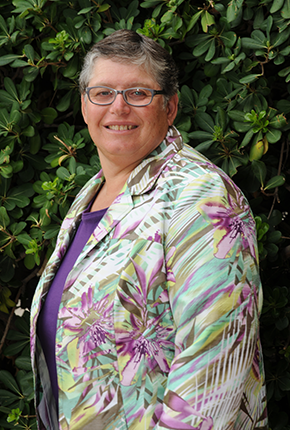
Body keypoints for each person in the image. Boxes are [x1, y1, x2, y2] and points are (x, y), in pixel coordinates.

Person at [30, 29, 268, 430]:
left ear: (170, 107)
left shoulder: (199, 198)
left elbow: (214, 370)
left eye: (138, 94)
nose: (118, 107)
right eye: (102, 93)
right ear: (85, 106)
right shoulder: (91, 195)